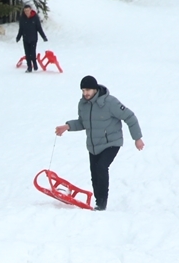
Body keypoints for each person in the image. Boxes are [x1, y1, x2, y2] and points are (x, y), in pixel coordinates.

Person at [54, 76, 144, 211]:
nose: (85, 93)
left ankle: (102, 203)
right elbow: (83, 122)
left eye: (88, 90)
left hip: (111, 142)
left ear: (95, 89)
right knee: (94, 173)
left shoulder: (110, 102)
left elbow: (129, 117)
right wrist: (67, 126)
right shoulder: (83, 104)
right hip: (93, 145)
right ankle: (98, 201)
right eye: (83, 90)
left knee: (101, 167)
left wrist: (137, 138)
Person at [15, 4, 48, 74]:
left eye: (28, 10)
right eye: (25, 11)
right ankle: (29, 67)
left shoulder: (35, 17)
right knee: (27, 53)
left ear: (30, 10)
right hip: (25, 38)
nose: (26, 12)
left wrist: (44, 37)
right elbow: (21, 29)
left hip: (33, 38)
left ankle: (35, 63)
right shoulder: (22, 18)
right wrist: (18, 37)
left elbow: (39, 28)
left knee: (32, 53)